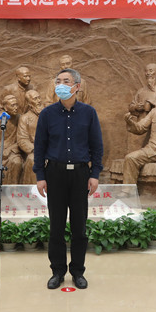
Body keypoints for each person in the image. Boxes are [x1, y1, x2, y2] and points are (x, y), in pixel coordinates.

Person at [34, 68, 103, 290]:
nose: (61, 85)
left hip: (81, 174)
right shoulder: (47, 114)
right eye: (58, 81)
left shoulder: (88, 113)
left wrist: (95, 174)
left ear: (77, 86)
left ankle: (78, 271)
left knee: (79, 227)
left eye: (66, 81)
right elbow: (39, 147)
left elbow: (97, 146)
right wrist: (40, 176)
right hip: (55, 173)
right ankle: (57, 271)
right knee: (56, 226)